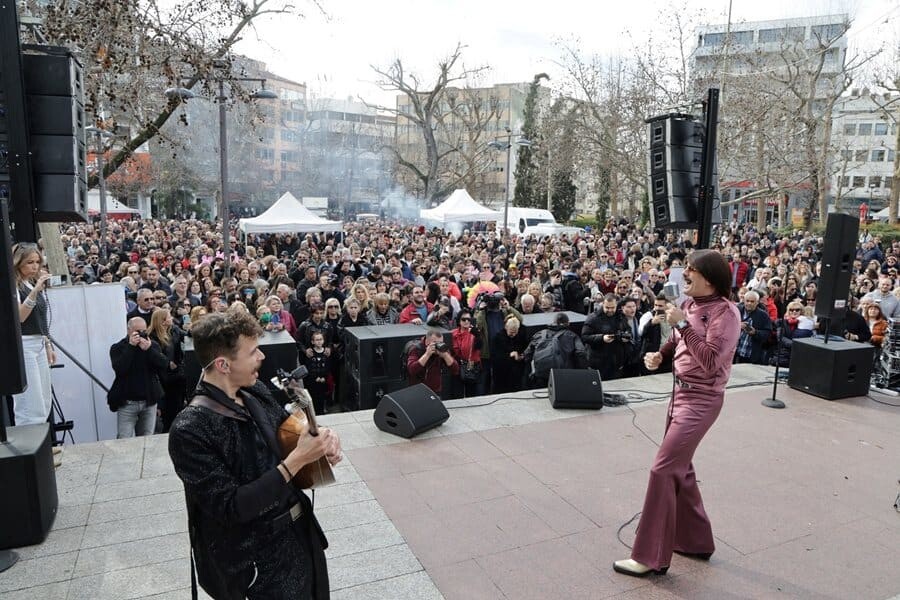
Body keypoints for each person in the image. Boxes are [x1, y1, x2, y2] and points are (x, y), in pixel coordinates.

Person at [168, 311, 342, 599]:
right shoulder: (190, 430)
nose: (261, 356)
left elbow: (285, 436)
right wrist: (298, 458)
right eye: (252, 352)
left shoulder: (255, 390)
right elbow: (231, 507)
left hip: (300, 539)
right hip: (256, 567)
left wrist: (322, 441)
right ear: (223, 364)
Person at [614, 249, 740, 578]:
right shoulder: (689, 305)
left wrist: (682, 324)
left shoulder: (726, 314)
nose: (684, 274)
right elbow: (677, 338)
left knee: (662, 470)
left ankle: (650, 556)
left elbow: (711, 360)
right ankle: (696, 541)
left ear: (710, 278)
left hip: (702, 399)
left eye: (691, 270)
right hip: (679, 394)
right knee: (681, 470)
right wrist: (661, 354)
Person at [12, 243, 56, 426]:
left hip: (38, 343)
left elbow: (41, 320)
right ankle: (30, 446)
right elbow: (20, 316)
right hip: (24, 344)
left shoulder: (30, 284)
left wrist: (47, 344)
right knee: (30, 401)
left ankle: (43, 444)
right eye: (30, 262)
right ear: (18, 263)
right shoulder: (14, 285)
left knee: (45, 398)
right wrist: (35, 291)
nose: (35, 266)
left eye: (37, 262)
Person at [108, 317, 169, 438]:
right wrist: (131, 347)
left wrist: (149, 350)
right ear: (128, 330)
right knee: (124, 438)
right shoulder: (118, 347)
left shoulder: (152, 345)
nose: (141, 335)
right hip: (127, 402)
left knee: (147, 438)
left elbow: (164, 364)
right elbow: (120, 369)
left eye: (144, 331)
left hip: (149, 401)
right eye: (137, 331)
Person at [522, 311, 587, 388]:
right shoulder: (572, 335)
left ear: (553, 322)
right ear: (568, 323)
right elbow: (581, 353)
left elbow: (527, 354)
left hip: (541, 375)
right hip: (562, 375)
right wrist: (582, 370)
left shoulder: (539, 334)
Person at [148, 308, 185, 433]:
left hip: (176, 376)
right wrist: (167, 363)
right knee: (167, 410)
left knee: (177, 407)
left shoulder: (174, 330)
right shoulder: (151, 336)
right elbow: (154, 355)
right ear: (163, 321)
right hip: (161, 378)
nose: (172, 319)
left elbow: (185, 335)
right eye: (169, 317)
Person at [406, 328, 459, 394]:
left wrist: (445, 355)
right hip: (417, 390)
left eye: (441, 342)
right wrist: (427, 354)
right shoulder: (416, 349)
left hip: (435, 391)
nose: (439, 345)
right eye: (436, 343)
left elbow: (455, 370)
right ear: (427, 341)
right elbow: (412, 370)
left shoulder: (442, 349)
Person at [491, 314, 529, 393]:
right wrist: (509, 354)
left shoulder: (521, 336)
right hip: (502, 374)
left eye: (515, 332)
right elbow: (495, 356)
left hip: (517, 373)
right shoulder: (498, 337)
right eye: (511, 332)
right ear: (506, 327)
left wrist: (521, 356)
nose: (513, 335)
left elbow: (526, 349)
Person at [451, 309, 484, 397]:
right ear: (459, 320)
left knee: (471, 393)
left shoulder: (474, 333)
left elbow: (479, 346)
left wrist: (477, 335)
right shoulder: (453, 333)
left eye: (468, 319)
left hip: (471, 367)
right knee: (457, 393)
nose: (466, 321)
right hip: (457, 366)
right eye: (463, 319)